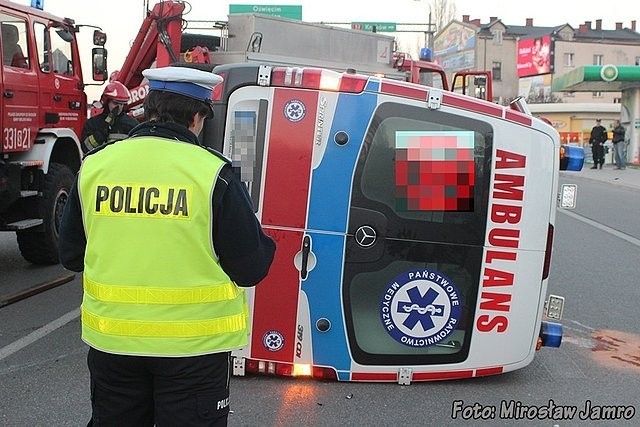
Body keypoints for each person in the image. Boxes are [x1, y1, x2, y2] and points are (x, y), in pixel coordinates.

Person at [58, 66, 276, 426]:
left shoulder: (95, 167)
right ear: (197, 116)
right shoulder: (212, 173)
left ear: (149, 109)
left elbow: (70, 256)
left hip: (114, 345)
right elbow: (251, 267)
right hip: (193, 352)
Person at [81, 81, 138, 154]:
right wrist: (101, 132)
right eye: (115, 103)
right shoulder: (93, 124)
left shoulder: (131, 124)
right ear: (106, 102)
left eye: (121, 104)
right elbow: (86, 149)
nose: (119, 107)